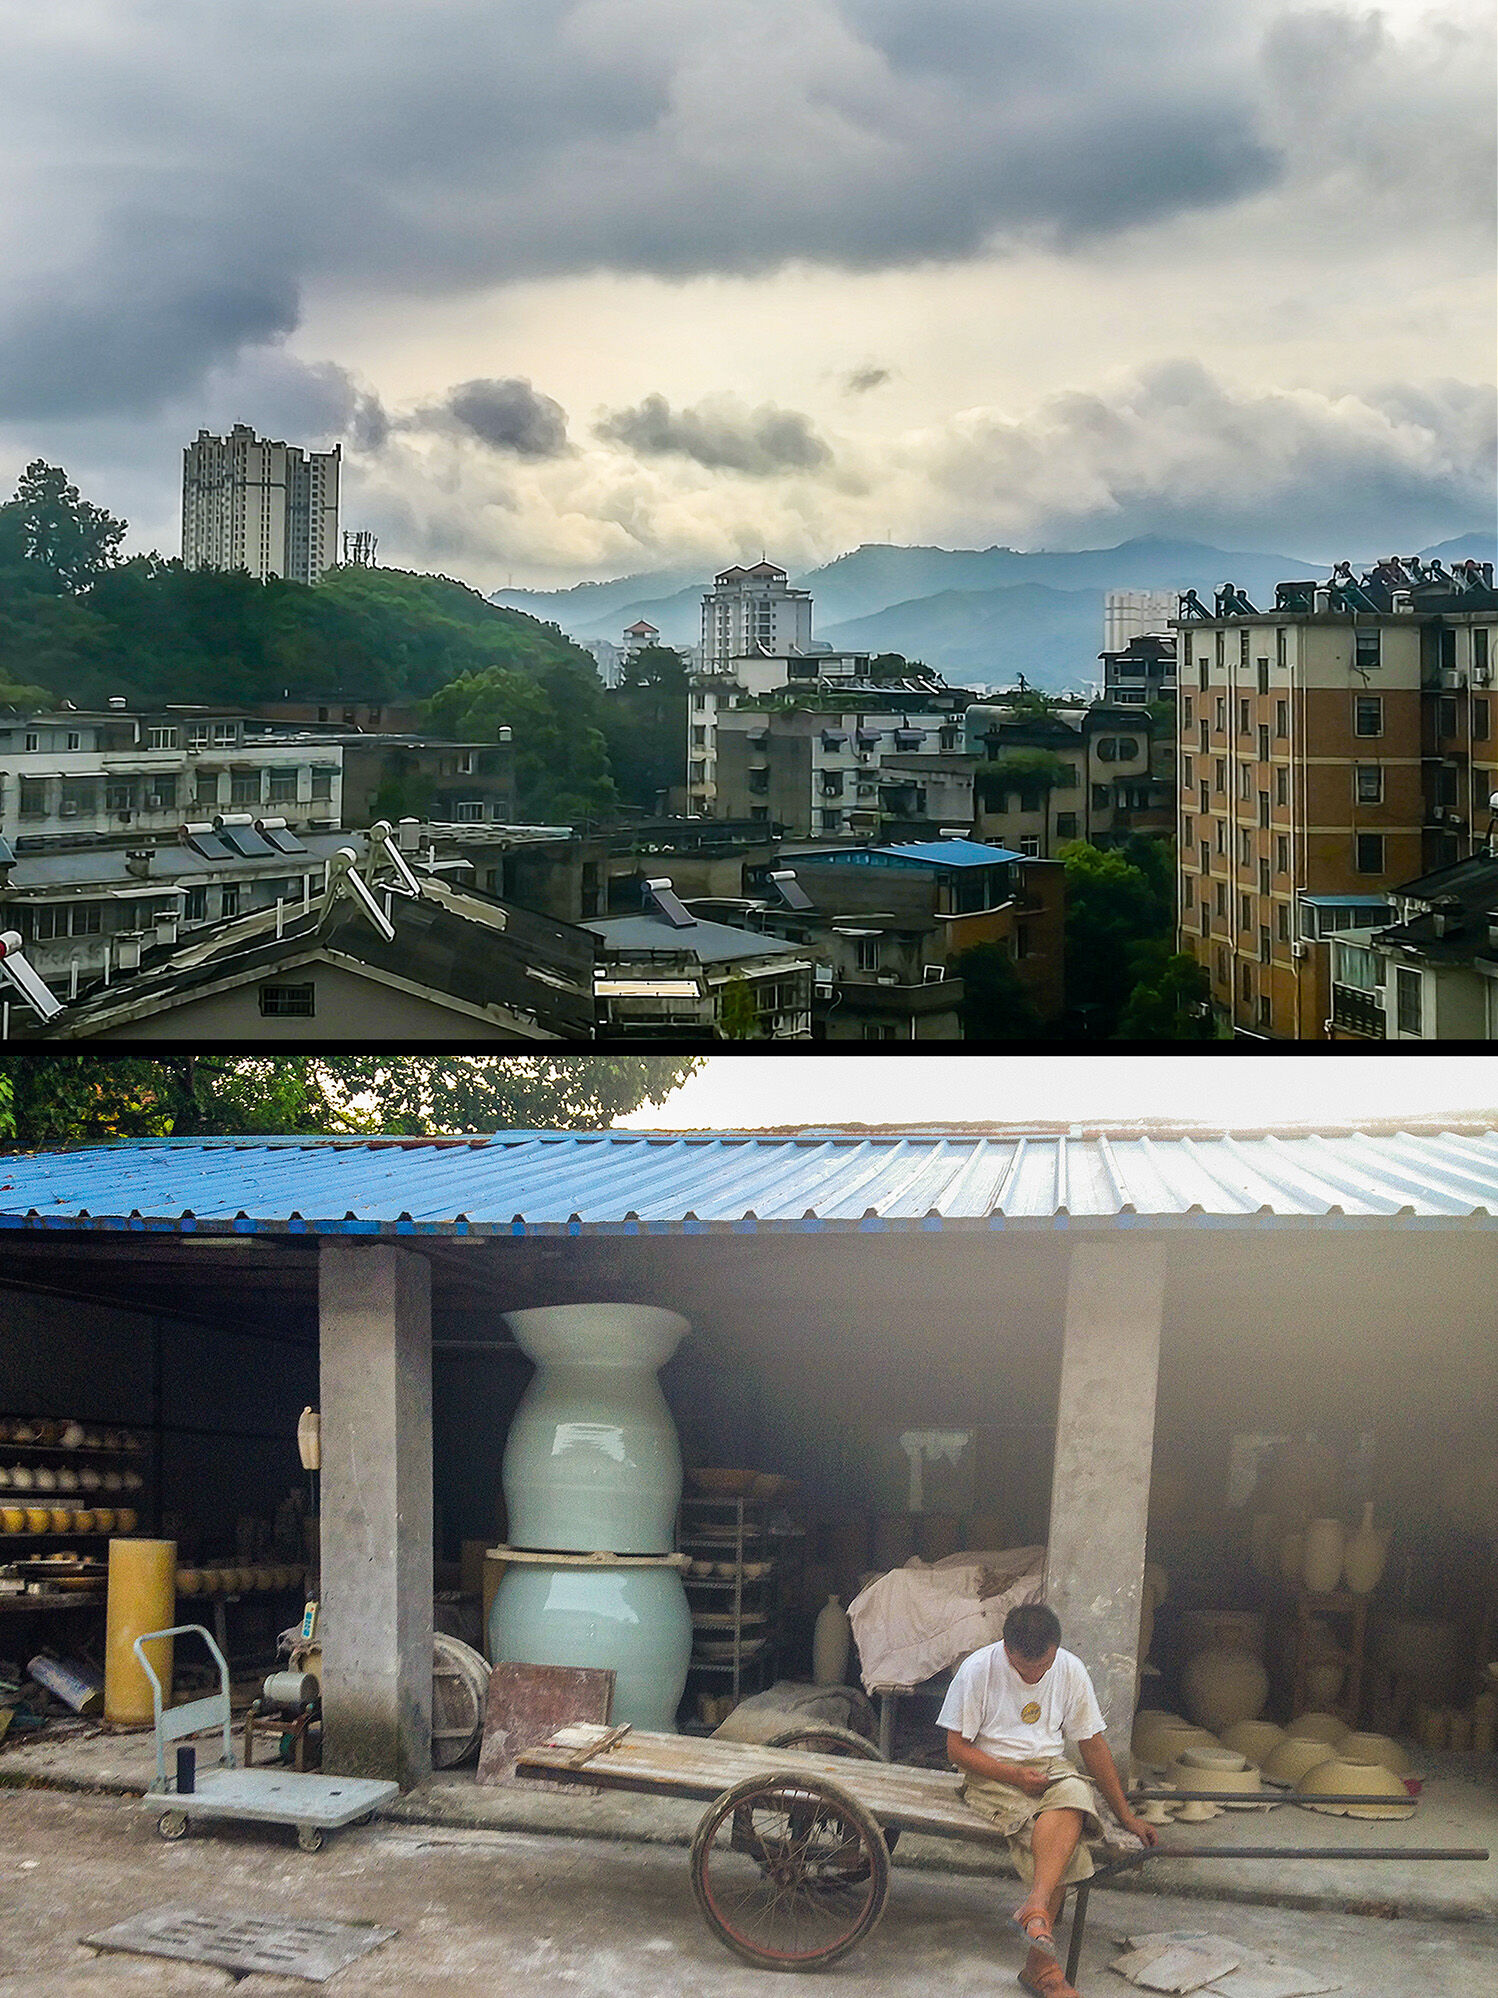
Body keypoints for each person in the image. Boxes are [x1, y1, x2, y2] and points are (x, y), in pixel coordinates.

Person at [937, 1600, 1158, 1998]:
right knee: (1063, 1844)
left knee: (1076, 1792)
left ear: (1056, 1647)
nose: (1036, 1673)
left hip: (1048, 1767)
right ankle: (1041, 1969)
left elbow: (1091, 1743)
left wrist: (1126, 1815)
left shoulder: (1069, 1668)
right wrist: (1014, 1775)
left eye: (1044, 1665)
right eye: (1026, 1667)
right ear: (1007, 1650)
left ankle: (1036, 1908)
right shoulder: (978, 1669)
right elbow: (956, 1749)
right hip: (991, 1772)